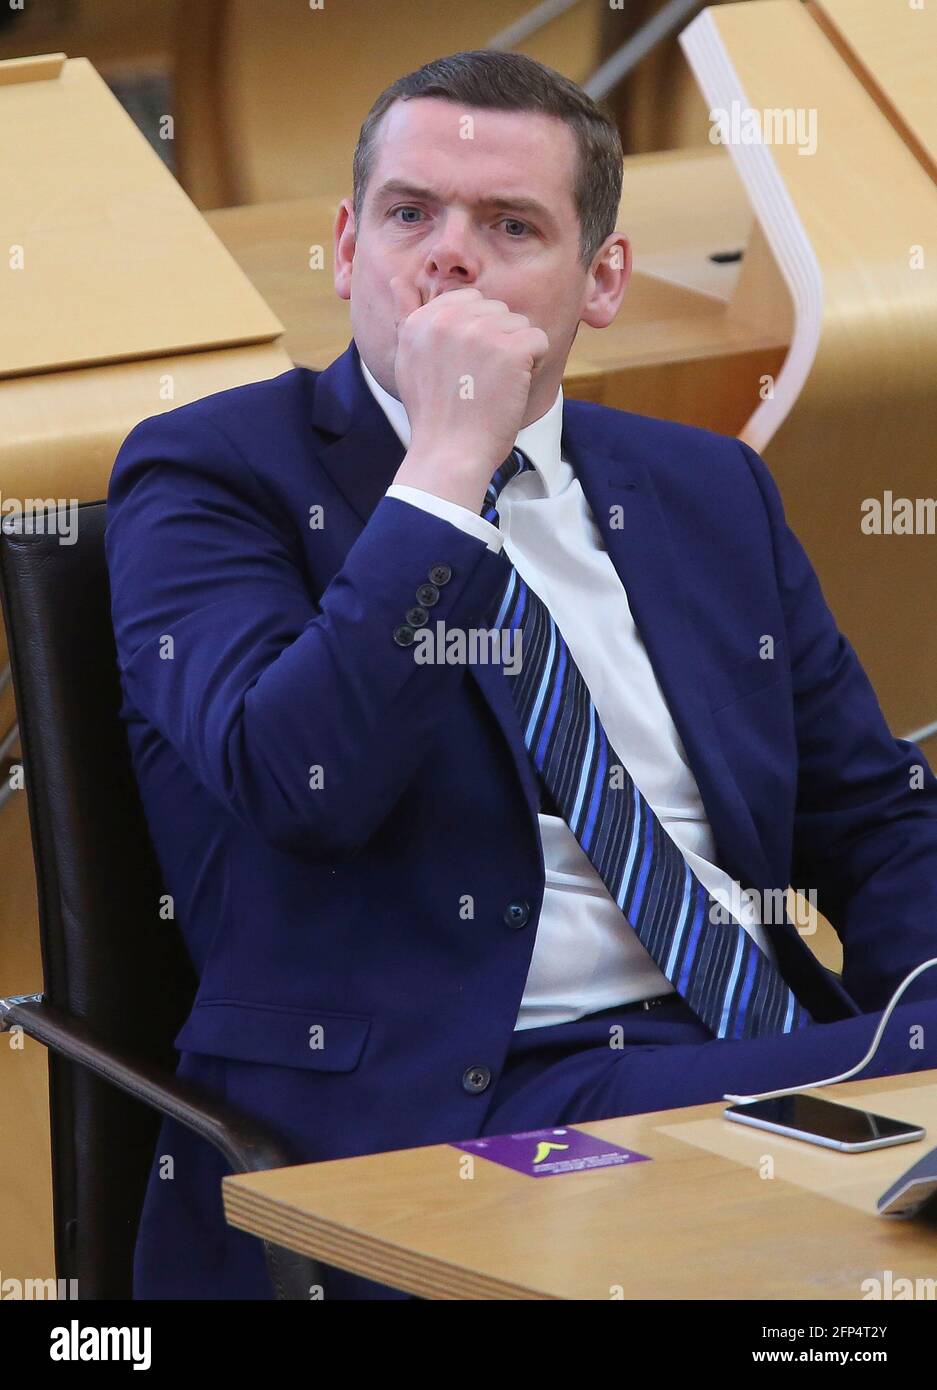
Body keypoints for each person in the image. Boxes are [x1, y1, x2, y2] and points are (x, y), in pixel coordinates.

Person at [106, 50, 937, 1301]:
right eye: (408, 216)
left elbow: (871, 821)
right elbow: (300, 784)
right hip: (449, 1108)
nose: (449, 255)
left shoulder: (706, 488)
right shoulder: (208, 474)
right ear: (342, 251)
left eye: (509, 225)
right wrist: (444, 472)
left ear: (600, 280)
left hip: (740, 1056)